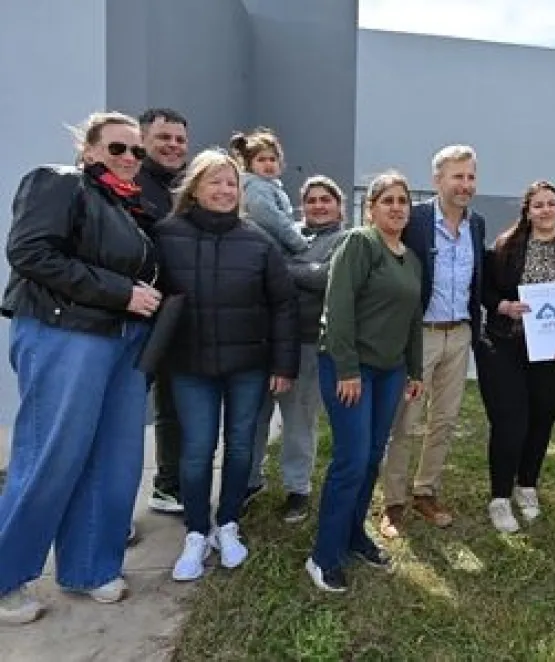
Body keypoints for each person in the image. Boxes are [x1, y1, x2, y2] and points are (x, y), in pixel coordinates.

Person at [0, 112, 161, 624]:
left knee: (114, 459)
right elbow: (29, 251)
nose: (130, 158)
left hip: (123, 341)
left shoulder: (128, 207)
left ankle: (91, 568)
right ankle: (5, 577)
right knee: (50, 454)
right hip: (65, 334)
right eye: (117, 148)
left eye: (137, 151)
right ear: (89, 150)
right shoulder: (59, 182)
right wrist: (121, 292)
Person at [155, 149, 300, 582]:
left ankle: (229, 523)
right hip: (190, 365)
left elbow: (283, 305)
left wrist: (284, 364)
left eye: (231, 183)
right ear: (195, 188)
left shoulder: (258, 241)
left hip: (247, 366)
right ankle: (197, 531)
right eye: (214, 181)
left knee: (240, 446)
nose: (224, 190)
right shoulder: (165, 235)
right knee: (197, 450)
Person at [306, 171, 424, 593]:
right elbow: (337, 307)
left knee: (373, 456)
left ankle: (354, 535)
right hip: (351, 369)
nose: (396, 207)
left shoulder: (411, 259)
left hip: (390, 372)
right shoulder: (360, 243)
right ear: (370, 209)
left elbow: (413, 319)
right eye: (387, 200)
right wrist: (347, 369)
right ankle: (323, 555)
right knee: (351, 460)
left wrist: (415, 370)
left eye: (402, 201)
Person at [378, 145, 485, 538]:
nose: (465, 185)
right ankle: (392, 502)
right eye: (457, 176)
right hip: (419, 335)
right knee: (406, 420)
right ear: (438, 179)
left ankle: (426, 492)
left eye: (470, 176)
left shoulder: (476, 225)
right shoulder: (417, 219)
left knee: (445, 419)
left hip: (459, 334)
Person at [476, 180, 555, 532]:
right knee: (510, 422)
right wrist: (503, 306)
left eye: (551, 203)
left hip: (553, 355)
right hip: (506, 348)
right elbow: (484, 290)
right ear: (527, 211)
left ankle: (527, 486)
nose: (545, 210)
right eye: (538, 205)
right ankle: (499, 497)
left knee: (541, 421)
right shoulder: (505, 247)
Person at [250, 176, 347, 522]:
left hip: (307, 342)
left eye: (326, 199)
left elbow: (326, 278)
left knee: (298, 420)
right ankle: (249, 480)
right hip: (267, 340)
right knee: (254, 416)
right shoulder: (287, 234)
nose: (318, 206)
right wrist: (303, 271)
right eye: (311, 200)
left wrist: (281, 269)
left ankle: (297, 489)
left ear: (339, 206)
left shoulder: (345, 240)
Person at [136, 107, 190, 516]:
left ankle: (169, 486)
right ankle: (111, 512)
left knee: (172, 408)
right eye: (163, 137)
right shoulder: (129, 185)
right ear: (143, 141)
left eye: (179, 139)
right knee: (119, 414)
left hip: (174, 318)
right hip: (130, 316)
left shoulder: (188, 186)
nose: (173, 145)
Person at [230, 127, 309, 256]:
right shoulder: (257, 187)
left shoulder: (271, 187)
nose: (268, 164)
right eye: (261, 160)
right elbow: (272, 220)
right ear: (249, 164)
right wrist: (299, 243)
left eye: (272, 159)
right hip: (265, 251)